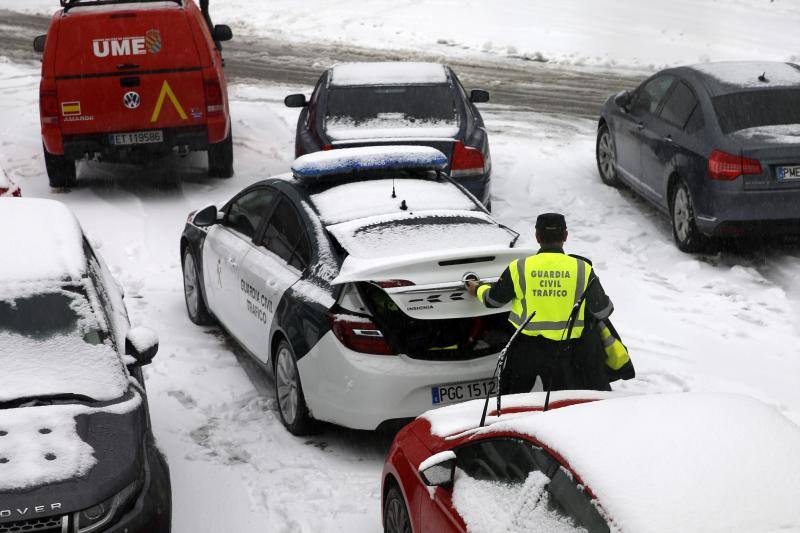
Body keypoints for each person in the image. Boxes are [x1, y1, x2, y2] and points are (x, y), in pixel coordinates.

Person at [467, 213, 625, 393]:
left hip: (524, 350)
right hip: (564, 352)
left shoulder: (519, 267)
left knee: (512, 400)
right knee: (560, 405)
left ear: (537, 237)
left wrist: (477, 289)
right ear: (565, 236)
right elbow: (602, 311)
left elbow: (493, 300)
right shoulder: (582, 269)